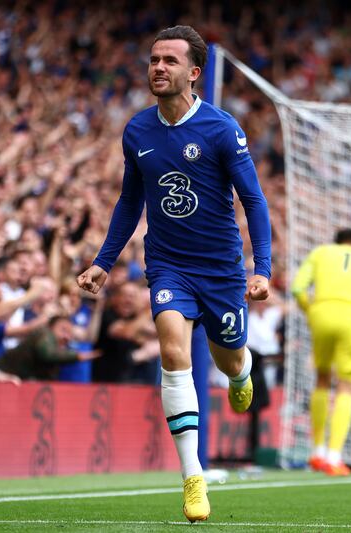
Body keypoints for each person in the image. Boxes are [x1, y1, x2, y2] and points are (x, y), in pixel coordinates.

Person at [77, 25, 272, 523]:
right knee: (172, 351)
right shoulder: (137, 130)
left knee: (228, 361)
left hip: (222, 269)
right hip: (168, 264)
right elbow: (129, 201)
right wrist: (103, 261)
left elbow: (253, 200)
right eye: (153, 59)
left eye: (169, 60)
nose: (158, 67)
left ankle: (243, 368)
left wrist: (262, 269)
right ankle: (192, 476)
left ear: (194, 72)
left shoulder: (222, 129)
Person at [291, 228, 351, 476]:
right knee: (346, 386)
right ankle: (334, 457)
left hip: (322, 312)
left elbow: (298, 288)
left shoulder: (321, 252)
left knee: (322, 379)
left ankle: (317, 453)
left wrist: (310, 310)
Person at [0, 315, 100, 381]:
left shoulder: (59, 348)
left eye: (70, 333)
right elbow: (47, 354)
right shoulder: (44, 334)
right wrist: (77, 356)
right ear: (50, 327)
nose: (66, 337)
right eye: (63, 330)